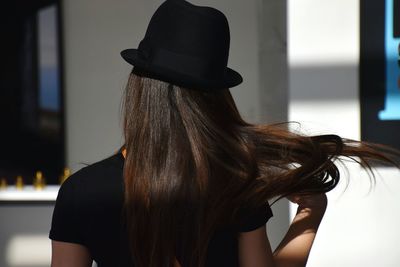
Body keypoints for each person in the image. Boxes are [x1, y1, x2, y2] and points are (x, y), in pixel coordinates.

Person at [49, 0, 399, 266]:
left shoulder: (81, 192)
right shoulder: (234, 183)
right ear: (214, 99)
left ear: (139, 88)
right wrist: (311, 213)